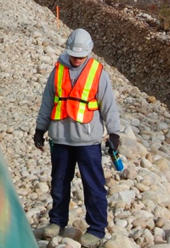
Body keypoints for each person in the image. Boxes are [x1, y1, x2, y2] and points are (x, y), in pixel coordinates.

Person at [33, 28, 121, 247]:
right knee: (60, 182)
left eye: (80, 57)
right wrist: (40, 129)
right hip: (61, 139)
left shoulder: (98, 73)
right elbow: (48, 101)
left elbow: (108, 106)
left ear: (89, 53)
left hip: (88, 141)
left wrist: (114, 133)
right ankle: (57, 221)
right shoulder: (57, 71)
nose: (76, 59)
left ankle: (97, 229)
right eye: (73, 55)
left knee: (94, 186)